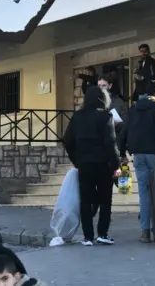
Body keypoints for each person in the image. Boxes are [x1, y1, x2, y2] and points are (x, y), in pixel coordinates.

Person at [62, 86, 119, 246]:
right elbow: (110, 143)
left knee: (85, 200)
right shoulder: (105, 116)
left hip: (84, 165)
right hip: (102, 164)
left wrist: (76, 160)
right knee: (105, 199)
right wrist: (116, 165)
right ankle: (103, 233)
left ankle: (88, 237)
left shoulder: (77, 117)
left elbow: (67, 140)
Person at [118, 80, 155, 243]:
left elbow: (125, 130)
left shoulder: (134, 108)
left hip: (138, 154)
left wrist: (122, 151)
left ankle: (145, 231)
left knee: (144, 193)